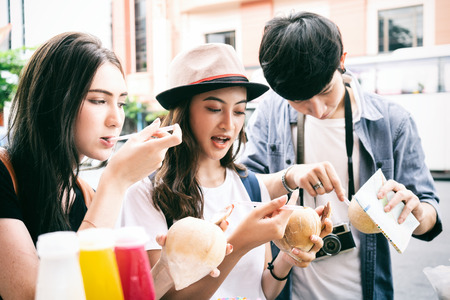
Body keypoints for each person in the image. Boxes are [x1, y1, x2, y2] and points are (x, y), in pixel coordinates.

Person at [239, 11, 443, 300]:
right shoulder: (271, 113)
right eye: (299, 102)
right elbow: (241, 190)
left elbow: (428, 221)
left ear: (342, 61)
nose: (318, 109)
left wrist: (416, 211)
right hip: (286, 290)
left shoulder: (391, 121)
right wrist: (289, 176)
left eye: (325, 91)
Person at [118, 43, 332, 300]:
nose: (229, 124)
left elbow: (264, 289)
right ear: (183, 112)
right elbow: (163, 296)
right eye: (214, 109)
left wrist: (288, 258)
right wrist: (239, 243)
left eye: (239, 111)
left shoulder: (252, 186)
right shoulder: (146, 194)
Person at [0, 32, 182, 300]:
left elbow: (103, 295)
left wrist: (171, 262)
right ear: (54, 100)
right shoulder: (5, 175)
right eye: (99, 100)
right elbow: (33, 295)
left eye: (120, 103)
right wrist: (117, 181)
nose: (116, 119)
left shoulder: (84, 195)